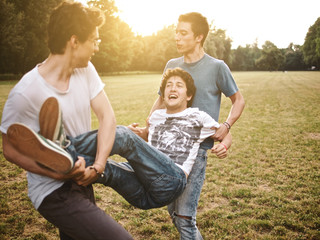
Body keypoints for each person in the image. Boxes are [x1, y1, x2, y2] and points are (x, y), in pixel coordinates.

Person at [1, 1, 133, 239]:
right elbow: (9, 149)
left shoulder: (86, 70)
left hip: (82, 177)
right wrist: (58, 174)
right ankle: (59, 158)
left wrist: (99, 166)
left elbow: (107, 116)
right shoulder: (26, 92)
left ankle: (67, 154)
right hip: (53, 191)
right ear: (74, 41)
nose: (96, 47)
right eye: (93, 40)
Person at [130, 12, 245, 239]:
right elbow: (161, 100)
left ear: (199, 37)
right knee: (174, 213)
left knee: (184, 218)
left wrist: (227, 125)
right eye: (177, 32)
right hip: (167, 149)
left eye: (183, 33)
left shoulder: (217, 67)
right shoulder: (172, 65)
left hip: (198, 151)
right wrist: (148, 129)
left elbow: (238, 100)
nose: (177, 37)